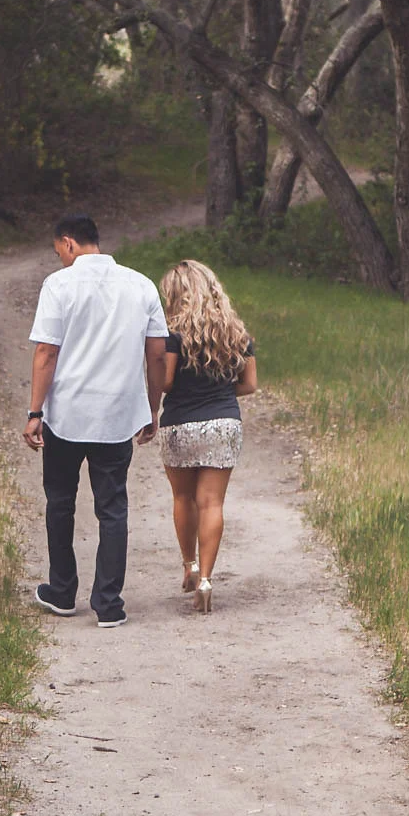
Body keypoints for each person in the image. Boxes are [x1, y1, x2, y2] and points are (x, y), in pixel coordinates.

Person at [23, 213, 169, 628]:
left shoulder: (59, 285)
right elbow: (156, 354)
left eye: (59, 253)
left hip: (67, 414)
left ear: (69, 244)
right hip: (117, 415)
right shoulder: (141, 285)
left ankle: (62, 590)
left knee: (60, 502)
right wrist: (152, 407)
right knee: (113, 508)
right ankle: (108, 603)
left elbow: (46, 354)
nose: (61, 260)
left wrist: (35, 412)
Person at [156, 260, 257, 613]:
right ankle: (208, 580)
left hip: (180, 425)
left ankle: (190, 565)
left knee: (184, 498)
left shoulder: (171, 336)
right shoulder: (237, 334)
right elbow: (250, 385)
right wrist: (221, 395)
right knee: (212, 503)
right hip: (223, 425)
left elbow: (166, 382)